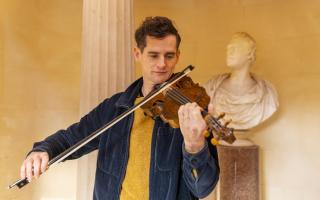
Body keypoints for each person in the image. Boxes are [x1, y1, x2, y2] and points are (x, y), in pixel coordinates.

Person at [20, 16, 219, 200]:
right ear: (137, 54)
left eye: (169, 55)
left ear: (178, 56)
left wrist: (195, 146)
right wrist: (42, 150)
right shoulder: (115, 108)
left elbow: (202, 189)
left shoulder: (192, 114)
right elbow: (71, 138)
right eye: (153, 55)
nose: (162, 64)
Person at [204, 32, 279, 131]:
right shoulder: (210, 87)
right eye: (228, 48)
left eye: (234, 48)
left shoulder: (268, 94)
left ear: (249, 54)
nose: (229, 52)